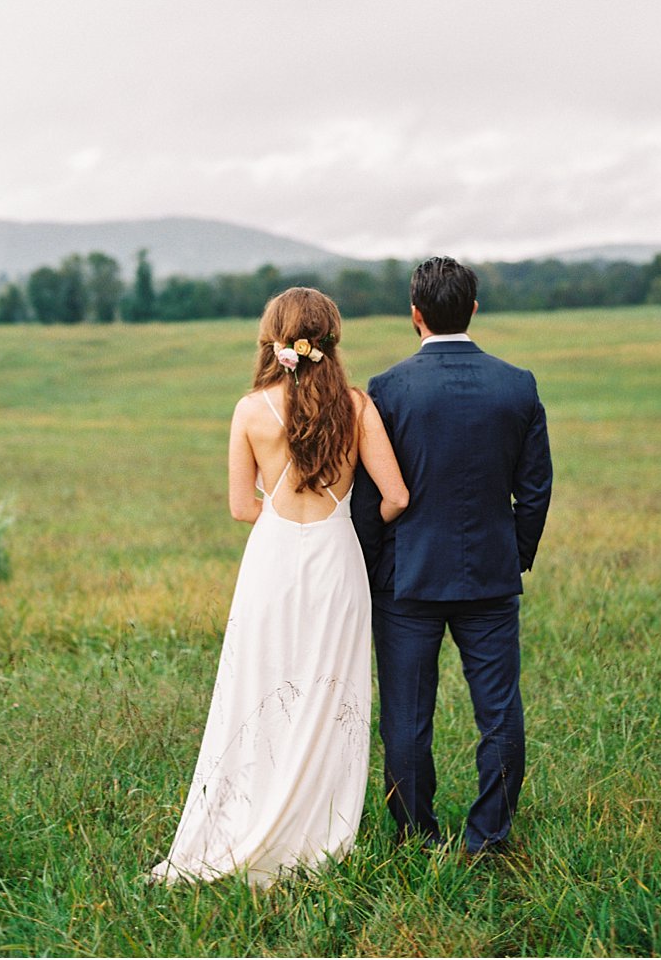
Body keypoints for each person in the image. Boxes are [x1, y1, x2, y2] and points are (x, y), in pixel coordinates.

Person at [150, 287, 409, 887]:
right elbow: (396, 497)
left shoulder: (248, 410)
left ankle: (248, 812)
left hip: (270, 563)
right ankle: (317, 827)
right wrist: (350, 521)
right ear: (330, 339)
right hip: (336, 560)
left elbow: (244, 507)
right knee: (327, 691)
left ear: (273, 340)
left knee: (261, 687)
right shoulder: (357, 406)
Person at [351, 256, 552, 856]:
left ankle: (416, 834)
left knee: (407, 718)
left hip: (405, 581)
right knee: (498, 709)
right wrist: (511, 553)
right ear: (474, 308)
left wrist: (372, 568)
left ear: (415, 314)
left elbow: (370, 497)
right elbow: (535, 490)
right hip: (491, 576)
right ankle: (489, 837)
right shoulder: (517, 384)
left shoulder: (387, 390)